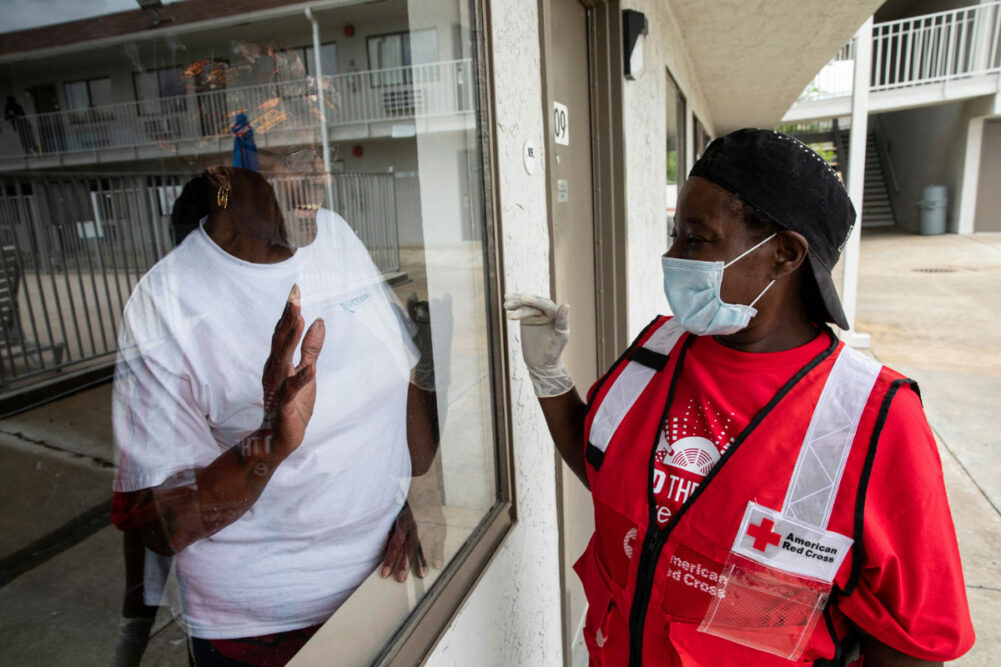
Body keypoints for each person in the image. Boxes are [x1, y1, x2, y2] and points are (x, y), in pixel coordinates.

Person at [505, 129, 975, 666]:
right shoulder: (658, 350)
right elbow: (605, 473)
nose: (671, 255)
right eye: (675, 234)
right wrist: (549, 377)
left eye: (695, 239)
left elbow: (911, 645)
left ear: (783, 255)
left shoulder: (872, 418)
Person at [111, 160, 441, 665]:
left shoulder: (334, 237)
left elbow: (402, 403)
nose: (319, 177)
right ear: (222, 173)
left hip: (384, 585)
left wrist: (406, 496)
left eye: (319, 154)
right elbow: (160, 525)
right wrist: (270, 440)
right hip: (264, 629)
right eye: (290, 157)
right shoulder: (165, 303)